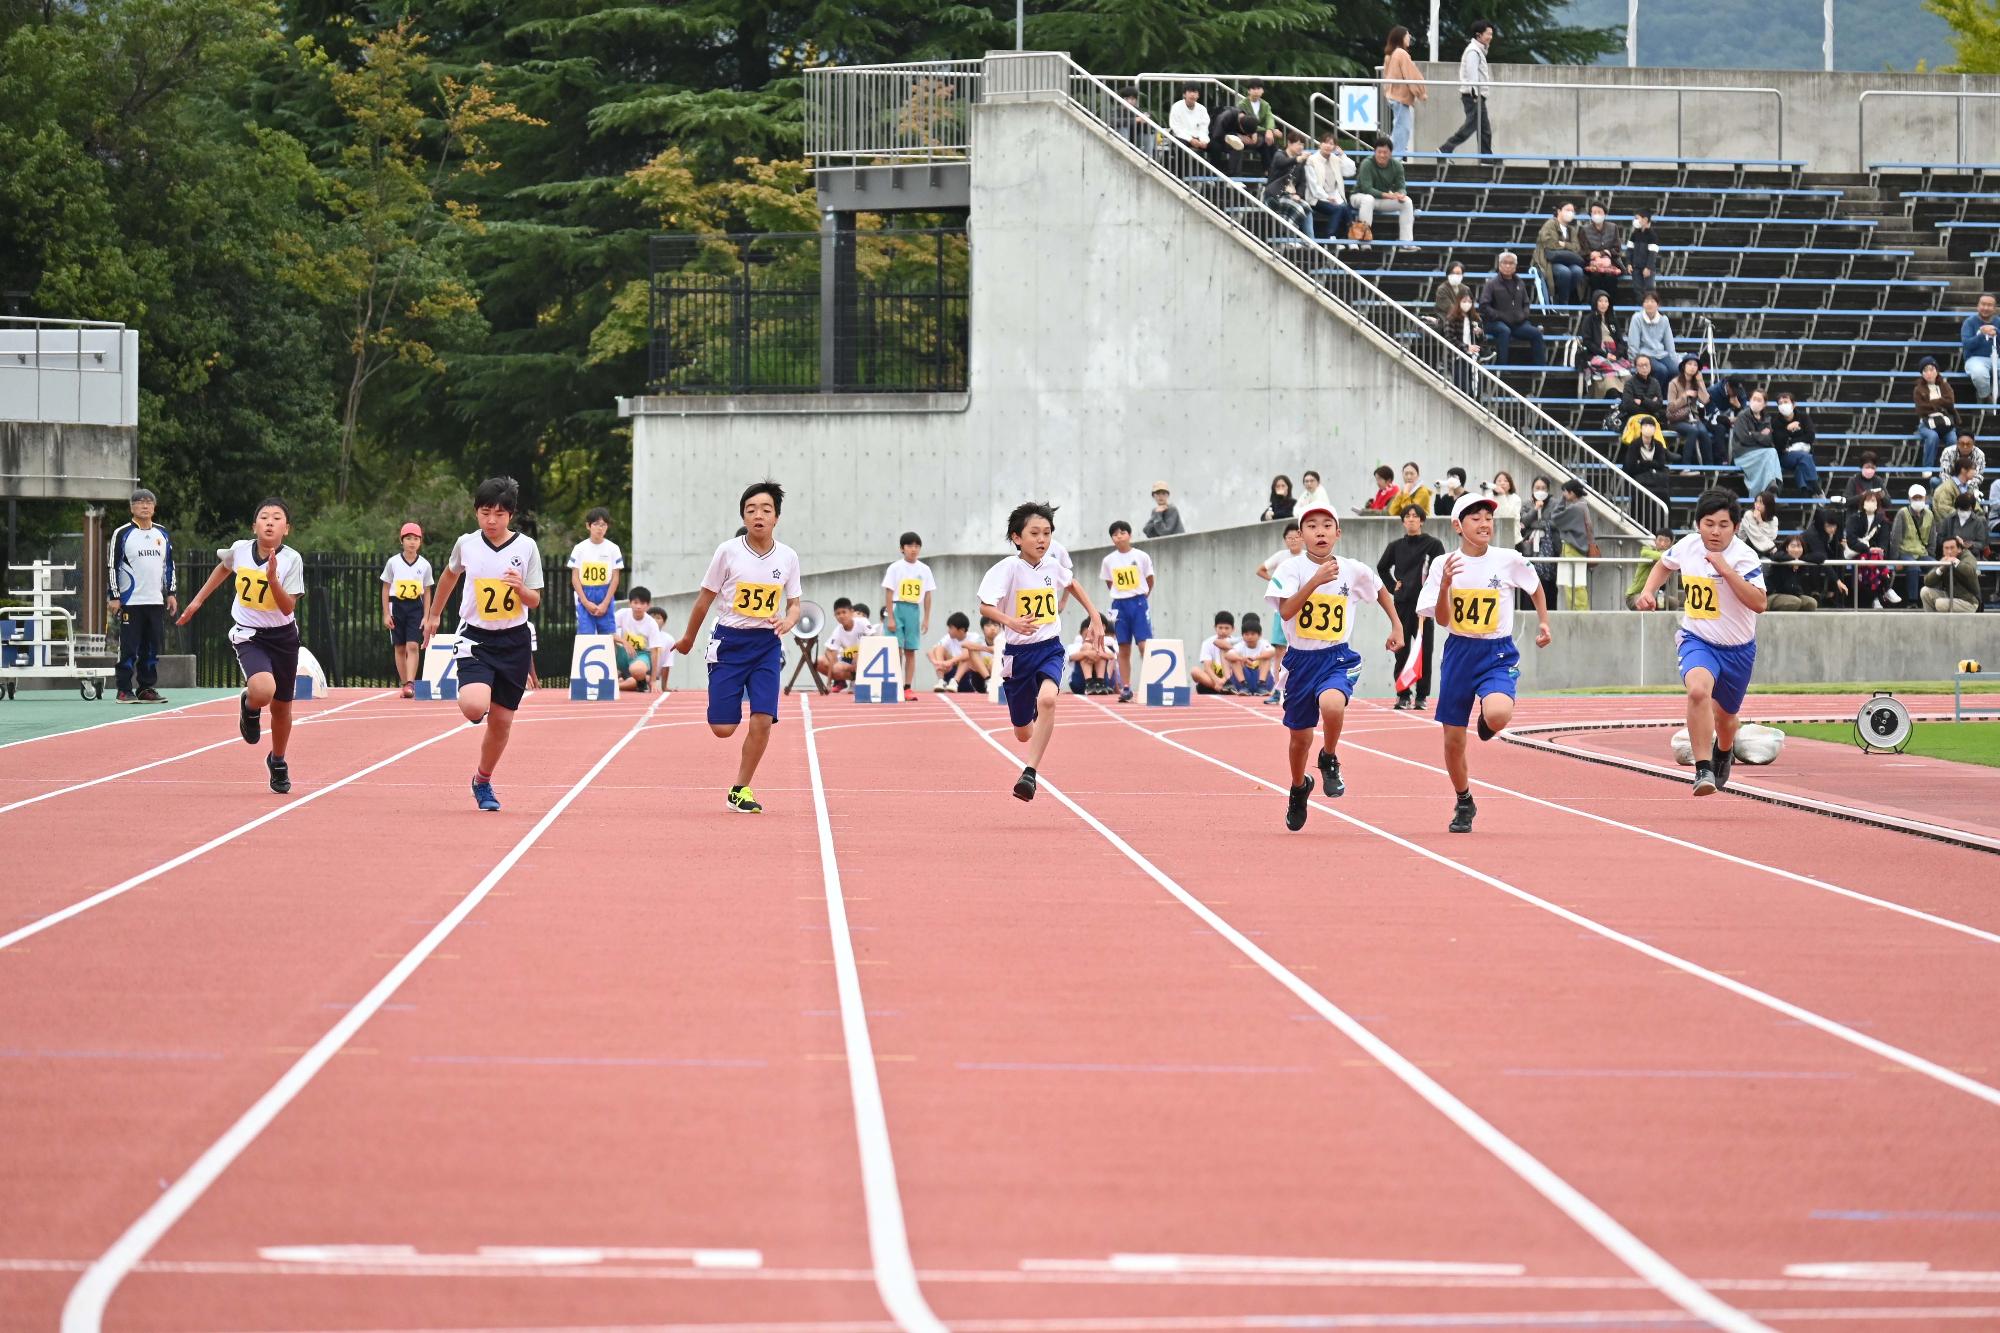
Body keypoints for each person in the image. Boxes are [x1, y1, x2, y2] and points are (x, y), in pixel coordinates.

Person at [1417, 493, 1550, 834]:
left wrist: (1543, 622)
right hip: (1459, 652)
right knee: (1452, 739)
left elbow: (1535, 587)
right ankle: (1464, 800)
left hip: (1497, 652)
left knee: (1498, 714)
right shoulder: (1443, 564)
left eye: (1488, 517)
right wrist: (1446, 582)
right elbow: (1443, 620)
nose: (1484, 523)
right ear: (1458, 526)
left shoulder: (1508, 559)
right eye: (1475, 518)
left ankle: (1488, 721)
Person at [1268, 500, 1402, 830]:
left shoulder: (1353, 569)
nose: (1320, 532)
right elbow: (1286, 612)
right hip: (1300, 661)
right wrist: (1314, 581)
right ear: (1300, 535)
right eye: (1312, 526)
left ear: (1338, 533)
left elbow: (1381, 589)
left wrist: (1396, 625)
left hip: (1335, 657)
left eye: (1326, 526)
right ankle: (1299, 787)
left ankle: (1328, 757)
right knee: (1299, 739)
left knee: (1332, 704)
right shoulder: (1290, 570)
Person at [672, 481, 803, 814]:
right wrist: (687, 639)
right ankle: (721, 689)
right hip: (729, 642)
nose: (758, 515)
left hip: (766, 646)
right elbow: (705, 600)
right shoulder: (728, 552)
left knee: (762, 717)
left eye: (766, 510)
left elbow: (795, 604)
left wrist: (789, 620)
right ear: (744, 516)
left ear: (776, 517)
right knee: (723, 729)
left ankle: (740, 789)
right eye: (751, 510)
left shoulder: (788, 557)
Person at [417, 478, 545, 811]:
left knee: (501, 723)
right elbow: (448, 576)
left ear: (511, 516)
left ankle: (482, 781)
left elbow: (535, 600)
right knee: (474, 706)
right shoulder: (466, 544)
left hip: (514, 640)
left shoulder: (526, 547)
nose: (491, 520)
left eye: (499, 514)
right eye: (485, 512)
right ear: (476, 512)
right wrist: (433, 616)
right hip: (475, 637)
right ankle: (479, 695)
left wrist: (520, 589)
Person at [1634, 488, 1767, 796]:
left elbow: (1759, 603)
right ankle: (1703, 769)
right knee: (1697, 691)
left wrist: (1726, 571)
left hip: (1738, 650)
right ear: (1698, 524)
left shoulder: (1743, 556)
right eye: (1709, 523)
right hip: (1697, 639)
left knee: (1726, 719)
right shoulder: (1689, 546)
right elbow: (1664, 565)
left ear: (1735, 526)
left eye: (1723, 524)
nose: (1715, 531)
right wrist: (1649, 591)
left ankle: (1724, 748)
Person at [176, 497, 305, 794]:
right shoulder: (240, 550)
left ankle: (278, 760)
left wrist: (273, 579)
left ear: (287, 529)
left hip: (283, 636)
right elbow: (224, 567)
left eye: (276, 518)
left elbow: (287, 608)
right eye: (264, 517)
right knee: (263, 691)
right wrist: (198, 600)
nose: (270, 522)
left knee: (283, 707)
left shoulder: (291, 560)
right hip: (250, 634)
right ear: (254, 526)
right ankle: (249, 705)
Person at [978, 502, 1105, 801]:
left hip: (1050, 648)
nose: (1042, 540)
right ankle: (1029, 710)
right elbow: (985, 606)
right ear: (1017, 537)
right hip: (1018, 655)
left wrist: (1095, 616)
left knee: (1048, 699)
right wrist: (1011, 621)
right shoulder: (1008, 568)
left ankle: (1029, 773)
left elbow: (1071, 583)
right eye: (1034, 533)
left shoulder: (1052, 564)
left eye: (1047, 533)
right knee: (1023, 732)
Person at [109, 487, 177, 703]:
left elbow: (169, 565)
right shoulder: (122, 533)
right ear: (132, 507)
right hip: (131, 601)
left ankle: (146, 688)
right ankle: (123, 689)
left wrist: (171, 593)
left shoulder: (162, 533)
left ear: (154, 507)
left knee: (151, 648)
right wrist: (114, 595)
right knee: (129, 648)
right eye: (140, 502)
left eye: (149, 502)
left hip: (155, 601)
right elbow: (112, 565)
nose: (145, 505)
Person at [1378, 504, 1444, 710]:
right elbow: (1381, 568)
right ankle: (1403, 694)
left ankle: (1422, 696)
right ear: (1403, 521)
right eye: (1407, 516)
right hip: (1402, 606)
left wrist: (1432, 593)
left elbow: (1440, 570)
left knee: (1424, 652)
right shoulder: (1396, 546)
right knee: (1402, 651)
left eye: (1416, 516)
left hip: (1424, 608)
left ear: (1422, 520)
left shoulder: (1433, 545)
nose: (1411, 519)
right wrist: (1392, 586)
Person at [1100, 519, 1156, 704]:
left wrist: (1142, 597)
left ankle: (1151, 683)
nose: (1119, 536)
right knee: (1122, 647)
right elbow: (1109, 582)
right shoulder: (1108, 560)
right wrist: (1120, 595)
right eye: (1115, 534)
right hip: (1118, 605)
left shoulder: (1141, 556)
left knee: (1143, 645)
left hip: (1139, 603)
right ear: (1112, 539)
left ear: (1129, 535)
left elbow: (1150, 579)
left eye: (1122, 533)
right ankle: (1126, 687)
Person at [379, 522, 433, 698]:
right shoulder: (393, 562)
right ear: (401, 541)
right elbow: (386, 587)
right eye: (408, 538)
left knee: (412, 644)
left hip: (415, 607)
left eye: (415, 539)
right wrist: (386, 613)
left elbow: (427, 591)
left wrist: (426, 616)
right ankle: (405, 684)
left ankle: (411, 682)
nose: (412, 542)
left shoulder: (424, 565)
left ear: (420, 542)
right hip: (397, 606)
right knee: (400, 646)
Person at [881, 531, 936, 700]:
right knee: (896, 650)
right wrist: (890, 617)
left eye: (917, 546)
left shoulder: (924, 569)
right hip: (897, 608)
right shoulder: (895, 568)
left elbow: (927, 595)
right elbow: (889, 593)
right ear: (902, 548)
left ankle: (907, 687)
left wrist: (926, 618)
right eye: (909, 546)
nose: (913, 549)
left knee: (910, 650)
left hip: (913, 610)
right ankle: (895, 684)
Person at [1257, 520, 1304, 704]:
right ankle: (1278, 690)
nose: (1292, 541)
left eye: (1295, 537)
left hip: (1302, 610)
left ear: (1302, 538)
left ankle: (1298, 689)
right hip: (1282, 610)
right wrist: (1275, 582)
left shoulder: (1307, 557)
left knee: (1301, 650)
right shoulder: (1281, 556)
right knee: (1279, 650)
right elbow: (1260, 569)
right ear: (1285, 540)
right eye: (1289, 538)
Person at [1437, 19, 1495, 157]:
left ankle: (1486, 157)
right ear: (1478, 35)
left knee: (1484, 128)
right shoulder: (1473, 52)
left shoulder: (1478, 51)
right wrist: (1475, 97)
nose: (1491, 37)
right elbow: (1472, 76)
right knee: (1472, 125)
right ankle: (1446, 148)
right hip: (1473, 96)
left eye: (1491, 34)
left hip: (1476, 95)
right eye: (1488, 34)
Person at [1479, 252, 1544, 366]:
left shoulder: (1520, 283)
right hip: (1494, 323)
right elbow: (1484, 306)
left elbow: (1526, 303)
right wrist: (1500, 316)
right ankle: (1502, 367)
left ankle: (1541, 368)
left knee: (1536, 333)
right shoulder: (1491, 284)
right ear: (1499, 265)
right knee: (1504, 330)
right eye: (1505, 263)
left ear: (1515, 266)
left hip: (1517, 323)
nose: (1508, 266)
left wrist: (1523, 315)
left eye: (1511, 263)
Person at [567, 506, 623, 637]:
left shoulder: (613, 549)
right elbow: (575, 578)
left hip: (605, 593)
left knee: (609, 636)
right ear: (588, 526)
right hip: (585, 593)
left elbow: (615, 578)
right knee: (585, 635)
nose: (600, 528)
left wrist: (605, 603)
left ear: (607, 527)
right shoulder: (579, 548)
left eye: (603, 525)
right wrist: (585, 602)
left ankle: (610, 658)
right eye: (596, 524)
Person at [1353, 139, 1416, 249]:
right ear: (1375, 152)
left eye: (1385, 152)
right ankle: (1364, 240)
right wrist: (1388, 195)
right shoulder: (1367, 163)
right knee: (1368, 199)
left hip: (1379, 199)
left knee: (1407, 202)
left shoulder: (1397, 165)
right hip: (1359, 197)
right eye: (1379, 152)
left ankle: (1406, 242)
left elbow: (1401, 186)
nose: (1382, 155)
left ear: (1390, 153)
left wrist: (1401, 194)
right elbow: (1367, 189)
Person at [1547, 478, 1594, 610]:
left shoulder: (1576, 508)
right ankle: (1580, 611)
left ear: (1572, 493)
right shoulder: (1583, 505)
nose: (1564, 495)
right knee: (1576, 584)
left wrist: (1562, 501)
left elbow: (1555, 518)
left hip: (1573, 548)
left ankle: (1578, 612)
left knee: (1573, 584)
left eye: (1565, 492)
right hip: (1579, 548)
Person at [1843, 491, 1895, 608]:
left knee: (1875, 558)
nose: (1870, 503)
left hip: (1876, 555)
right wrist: (1868, 549)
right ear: (1862, 503)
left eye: (1873, 501)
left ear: (1877, 504)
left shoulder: (1883, 521)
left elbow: (1884, 541)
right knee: (1872, 558)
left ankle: (1876, 597)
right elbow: (1851, 539)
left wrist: (1879, 550)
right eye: (1867, 500)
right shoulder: (1854, 518)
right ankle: (1885, 590)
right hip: (1857, 551)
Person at [1302, 131, 1357, 243]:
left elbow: (1351, 171)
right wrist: (1327, 197)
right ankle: (1330, 236)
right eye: (1325, 143)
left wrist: (1343, 155)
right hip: (1316, 197)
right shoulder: (1311, 160)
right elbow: (1313, 186)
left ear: (1335, 146)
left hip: (1334, 196)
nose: (1328, 146)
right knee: (1339, 209)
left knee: (1346, 208)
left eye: (1331, 144)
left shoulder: (1335, 159)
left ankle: (1351, 239)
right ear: (1320, 144)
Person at [1730, 387, 1782, 498]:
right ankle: (1771, 490)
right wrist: (1760, 435)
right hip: (1743, 454)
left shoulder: (1766, 419)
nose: (1756, 402)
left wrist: (1752, 434)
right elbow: (1744, 438)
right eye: (1754, 399)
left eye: (1759, 400)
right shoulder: (1742, 416)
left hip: (1761, 455)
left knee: (1771, 452)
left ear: (1764, 404)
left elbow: (1769, 440)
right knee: (1770, 453)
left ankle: (1770, 489)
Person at [1892, 483, 1937, 606]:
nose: (1917, 500)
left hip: (1922, 552)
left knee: (1937, 567)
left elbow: (1932, 538)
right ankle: (1913, 601)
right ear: (1909, 499)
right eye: (1915, 498)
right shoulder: (1902, 513)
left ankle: (1934, 599)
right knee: (1914, 568)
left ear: (1925, 498)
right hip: (1905, 551)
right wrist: (1895, 560)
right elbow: (1896, 538)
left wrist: (1930, 555)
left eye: (1920, 498)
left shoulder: (1930, 514)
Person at [613, 587, 667, 692]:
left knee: (637, 670)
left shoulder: (651, 623)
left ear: (648, 605)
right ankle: (612, 678)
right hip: (623, 653)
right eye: (635, 602)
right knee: (609, 641)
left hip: (641, 656)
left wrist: (653, 680)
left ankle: (641, 682)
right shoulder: (622, 614)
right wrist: (624, 642)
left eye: (642, 603)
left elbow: (655, 652)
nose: (638, 607)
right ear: (630, 603)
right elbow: (608, 632)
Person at [1618, 413, 1677, 510]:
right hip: (1637, 480)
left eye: (1651, 426)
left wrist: (1643, 463)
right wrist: (1651, 464)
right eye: (1645, 425)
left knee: (1663, 494)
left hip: (1654, 480)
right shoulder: (1634, 445)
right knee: (1641, 495)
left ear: (1655, 429)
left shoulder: (1658, 445)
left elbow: (1661, 464)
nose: (1648, 428)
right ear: (1641, 428)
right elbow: (1631, 467)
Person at [1575, 290, 1630, 393]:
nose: (1603, 304)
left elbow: (1620, 341)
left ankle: (1624, 398)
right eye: (1600, 301)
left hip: (1614, 355)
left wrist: (1617, 354)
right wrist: (1605, 354)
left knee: (1627, 375)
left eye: (1606, 301)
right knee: (1608, 369)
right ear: (1595, 302)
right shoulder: (1589, 319)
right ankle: (1612, 396)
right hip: (1597, 354)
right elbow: (1587, 341)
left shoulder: (1612, 319)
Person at [1383, 26, 1426, 156]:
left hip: (1393, 96)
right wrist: (1421, 92)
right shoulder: (1401, 54)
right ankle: (1394, 157)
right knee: (1403, 130)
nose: (1409, 38)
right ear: (1401, 37)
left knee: (1399, 128)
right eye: (1408, 35)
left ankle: (1390, 155)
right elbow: (1412, 74)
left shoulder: (1391, 54)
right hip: (1400, 97)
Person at [1533, 203, 1587, 307]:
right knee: (1564, 272)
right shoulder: (1550, 224)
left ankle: (1560, 296)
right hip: (1549, 261)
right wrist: (1568, 246)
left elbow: (1577, 248)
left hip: (1568, 261)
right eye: (1567, 210)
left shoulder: (1572, 230)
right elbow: (1550, 244)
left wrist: (1563, 244)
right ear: (1559, 211)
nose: (1570, 213)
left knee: (1578, 271)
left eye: (1572, 211)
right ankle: (1563, 304)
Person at [1624, 293, 1677, 398]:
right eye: (1646, 301)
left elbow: (1669, 342)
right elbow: (1633, 342)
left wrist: (1673, 358)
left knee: (1675, 369)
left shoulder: (1664, 319)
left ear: (1657, 305)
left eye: (1652, 301)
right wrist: (1633, 360)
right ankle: (1652, 396)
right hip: (1644, 354)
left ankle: (1666, 396)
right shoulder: (1637, 318)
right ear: (1643, 304)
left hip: (1661, 353)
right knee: (1661, 370)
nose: (1649, 304)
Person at [1772, 391, 1822, 496]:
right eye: (1780, 403)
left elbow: (1810, 437)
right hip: (1784, 456)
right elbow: (1779, 443)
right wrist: (1787, 429)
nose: (1782, 405)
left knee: (1802, 466)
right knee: (1806, 458)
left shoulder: (1803, 417)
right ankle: (1815, 485)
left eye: (1785, 402)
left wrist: (1791, 441)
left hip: (1803, 453)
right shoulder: (1775, 421)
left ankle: (1806, 493)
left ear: (1794, 404)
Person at [1666, 356, 1714, 465]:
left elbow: (1706, 400)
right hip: (1677, 419)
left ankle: (1709, 466)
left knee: (1703, 432)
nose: (1692, 367)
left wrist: (1701, 382)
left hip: (1693, 418)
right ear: (1683, 366)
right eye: (1690, 364)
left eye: (1695, 365)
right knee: (1693, 431)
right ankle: (1685, 466)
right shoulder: (1674, 383)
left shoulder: (1696, 382)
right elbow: (1671, 407)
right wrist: (1685, 396)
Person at [1913, 357, 1958, 470]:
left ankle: (1950, 468)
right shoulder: (1918, 389)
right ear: (1922, 374)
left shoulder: (1945, 385)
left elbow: (1950, 402)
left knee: (1953, 439)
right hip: (1927, 423)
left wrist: (1932, 403)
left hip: (1945, 422)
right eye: (1925, 370)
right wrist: (1940, 404)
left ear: (1937, 370)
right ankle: (1927, 468)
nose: (1929, 373)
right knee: (1932, 436)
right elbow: (1921, 409)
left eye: (1931, 369)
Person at [1263, 131, 1311, 232]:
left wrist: (1299, 194)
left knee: (1307, 207)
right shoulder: (1279, 154)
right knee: (1298, 209)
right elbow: (1283, 163)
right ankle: (1288, 237)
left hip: (1290, 195)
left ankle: (1310, 241)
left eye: (1303, 144)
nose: (1301, 147)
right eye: (1298, 144)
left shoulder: (1300, 161)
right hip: (1274, 195)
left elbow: (1303, 182)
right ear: (1289, 143)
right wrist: (1298, 159)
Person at [1803, 506, 1852, 607]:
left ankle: (1834, 594)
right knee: (1817, 562)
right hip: (1807, 556)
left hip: (1822, 554)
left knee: (1839, 557)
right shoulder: (1813, 534)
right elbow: (1822, 558)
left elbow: (1834, 549)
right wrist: (1837, 581)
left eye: (1834, 526)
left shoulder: (1836, 529)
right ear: (1822, 525)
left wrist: (1842, 546)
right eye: (1829, 526)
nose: (1833, 529)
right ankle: (1815, 593)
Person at [929, 612, 987, 692]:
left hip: (969, 675)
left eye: (951, 628)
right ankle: (941, 681)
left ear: (962, 630)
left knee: (968, 653)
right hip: (951, 672)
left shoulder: (974, 637)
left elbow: (966, 655)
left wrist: (950, 661)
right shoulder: (948, 638)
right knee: (939, 649)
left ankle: (955, 681)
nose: (948, 631)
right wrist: (936, 662)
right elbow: (931, 651)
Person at [1935, 476, 1990, 561]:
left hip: (1971, 557)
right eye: (1961, 509)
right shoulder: (1949, 520)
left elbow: (1982, 543)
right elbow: (1940, 539)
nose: (1963, 511)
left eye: (1966, 509)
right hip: (1950, 556)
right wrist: (1954, 542)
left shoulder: (1978, 521)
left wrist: (1969, 544)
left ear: (1972, 508)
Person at [1578, 201, 1624, 301]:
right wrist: (1592, 255)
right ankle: (1596, 305)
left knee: (1610, 277)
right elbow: (1583, 250)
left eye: (1599, 212)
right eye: (1594, 212)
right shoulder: (1584, 230)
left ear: (1604, 214)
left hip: (1610, 263)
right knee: (1595, 277)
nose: (1597, 214)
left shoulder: (1613, 227)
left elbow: (1617, 249)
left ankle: (1611, 304)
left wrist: (1602, 253)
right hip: (1592, 265)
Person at [818, 597, 867, 687]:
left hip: (866, 658)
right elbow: (829, 651)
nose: (841, 616)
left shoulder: (863, 622)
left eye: (844, 612)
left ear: (852, 612)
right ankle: (845, 679)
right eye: (838, 614)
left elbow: (874, 639)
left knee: (856, 657)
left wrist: (862, 655)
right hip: (849, 661)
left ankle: (862, 679)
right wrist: (829, 682)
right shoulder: (837, 631)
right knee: (820, 661)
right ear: (835, 616)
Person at [1922, 536, 1981, 612]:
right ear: (1943, 550)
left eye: (1952, 548)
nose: (1949, 551)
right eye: (1946, 548)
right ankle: (1931, 622)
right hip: (1950, 596)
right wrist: (1941, 568)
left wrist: (1955, 561)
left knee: (1940, 603)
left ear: (1959, 549)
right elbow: (1927, 581)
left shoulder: (1967, 556)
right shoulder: (1944, 560)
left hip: (1968, 601)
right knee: (1925, 591)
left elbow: (1970, 572)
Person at [1626, 529, 1678, 610]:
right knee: (1644, 603)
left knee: (1673, 603)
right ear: (1655, 540)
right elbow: (1645, 553)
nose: (1662, 544)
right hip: (1635, 594)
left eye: (1666, 541)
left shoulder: (1670, 557)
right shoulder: (1647, 550)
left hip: (1657, 595)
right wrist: (1668, 555)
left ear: (1671, 544)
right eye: (1660, 540)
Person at [1765, 534, 1819, 612]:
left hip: (1793, 595)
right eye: (1793, 546)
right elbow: (1776, 556)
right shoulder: (1780, 558)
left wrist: (1800, 560)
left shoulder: (1801, 562)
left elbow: (1820, 557)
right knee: (1794, 602)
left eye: (1799, 546)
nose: (1796, 549)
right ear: (1787, 548)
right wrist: (1792, 561)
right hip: (1773, 595)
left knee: (1811, 603)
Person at [1228, 613, 1278, 695]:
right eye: (1246, 634)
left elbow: (1273, 651)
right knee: (1234, 660)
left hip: (1262, 680)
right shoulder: (1240, 645)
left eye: (1253, 634)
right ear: (1242, 636)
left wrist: (1256, 657)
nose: (1250, 637)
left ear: (1259, 635)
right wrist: (1242, 659)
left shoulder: (1263, 643)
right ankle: (1243, 685)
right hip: (1245, 680)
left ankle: (1261, 685)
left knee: (1266, 657)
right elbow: (1228, 655)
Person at [1209, 101, 1262, 177]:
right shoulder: (1225, 117)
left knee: (1263, 142)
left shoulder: (1248, 116)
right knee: (1236, 146)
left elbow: (1253, 127)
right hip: (1217, 137)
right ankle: (1232, 176)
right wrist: (1238, 136)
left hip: (1236, 138)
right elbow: (1217, 135)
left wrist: (1254, 134)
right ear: (1240, 126)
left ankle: (1267, 171)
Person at [1237, 80, 1281, 170]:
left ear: (1262, 91)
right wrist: (1268, 130)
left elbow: (1269, 118)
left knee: (1269, 141)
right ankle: (1269, 170)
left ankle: (1272, 170)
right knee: (1267, 139)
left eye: (1258, 88)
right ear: (1249, 91)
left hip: (1260, 135)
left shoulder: (1265, 105)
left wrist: (1270, 130)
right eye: (1253, 88)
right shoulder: (1242, 105)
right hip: (1247, 134)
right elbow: (1246, 123)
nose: (1256, 91)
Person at [1615, 356, 1667, 432]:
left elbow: (1658, 405)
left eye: (1646, 365)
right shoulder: (1630, 383)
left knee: (1654, 426)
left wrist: (1642, 401)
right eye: (1641, 365)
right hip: (1633, 417)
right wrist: (1650, 403)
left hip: (1652, 417)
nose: (1644, 368)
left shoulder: (1655, 382)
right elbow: (1628, 406)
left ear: (1650, 366)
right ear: (1636, 367)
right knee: (1642, 426)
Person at [1963, 292, 1998, 403]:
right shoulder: (1969, 322)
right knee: (1979, 373)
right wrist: (1981, 334)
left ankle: (1995, 396)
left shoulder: (1998, 322)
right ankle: (1985, 396)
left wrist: (1997, 333)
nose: (1986, 308)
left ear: (1994, 308)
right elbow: (1967, 344)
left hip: (1996, 358)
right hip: (1975, 358)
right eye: (1983, 304)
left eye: (1989, 305)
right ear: (1978, 306)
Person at [1194, 611, 1238, 693]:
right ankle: (1221, 689)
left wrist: (1225, 680)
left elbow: (1237, 668)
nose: (1223, 631)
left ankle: (1227, 688)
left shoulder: (1237, 644)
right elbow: (1207, 667)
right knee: (1195, 671)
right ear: (1215, 627)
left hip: (1230, 680)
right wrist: (1217, 681)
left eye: (1226, 628)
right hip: (1213, 681)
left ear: (1233, 629)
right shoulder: (1207, 643)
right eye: (1220, 628)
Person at [1624, 209, 1661, 297]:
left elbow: (1653, 254)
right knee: (1637, 289)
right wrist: (1628, 263)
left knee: (1649, 289)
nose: (1636, 221)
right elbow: (1629, 250)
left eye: (1638, 218)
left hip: (1647, 268)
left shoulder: (1652, 236)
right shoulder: (1634, 234)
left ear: (1645, 219)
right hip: (1635, 268)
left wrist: (1648, 267)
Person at [1168, 85, 1209, 155]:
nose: (1192, 94)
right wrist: (1190, 139)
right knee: (1180, 145)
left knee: (1216, 146)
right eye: (1189, 92)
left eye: (1195, 92)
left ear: (1198, 95)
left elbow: (1204, 128)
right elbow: (1176, 128)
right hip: (1182, 137)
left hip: (1198, 138)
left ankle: (1216, 166)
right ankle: (1180, 166)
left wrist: (1204, 141)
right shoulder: (1176, 107)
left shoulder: (1202, 109)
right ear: (1184, 94)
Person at [1740, 488, 1780, 559]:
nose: (1757, 505)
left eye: (1761, 503)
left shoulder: (1774, 519)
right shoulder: (1748, 515)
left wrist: (1760, 521)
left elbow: (1772, 536)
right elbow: (1756, 536)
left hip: (1763, 550)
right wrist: (1772, 548)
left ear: (1768, 505)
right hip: (1746, 547)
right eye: (1756, 502)